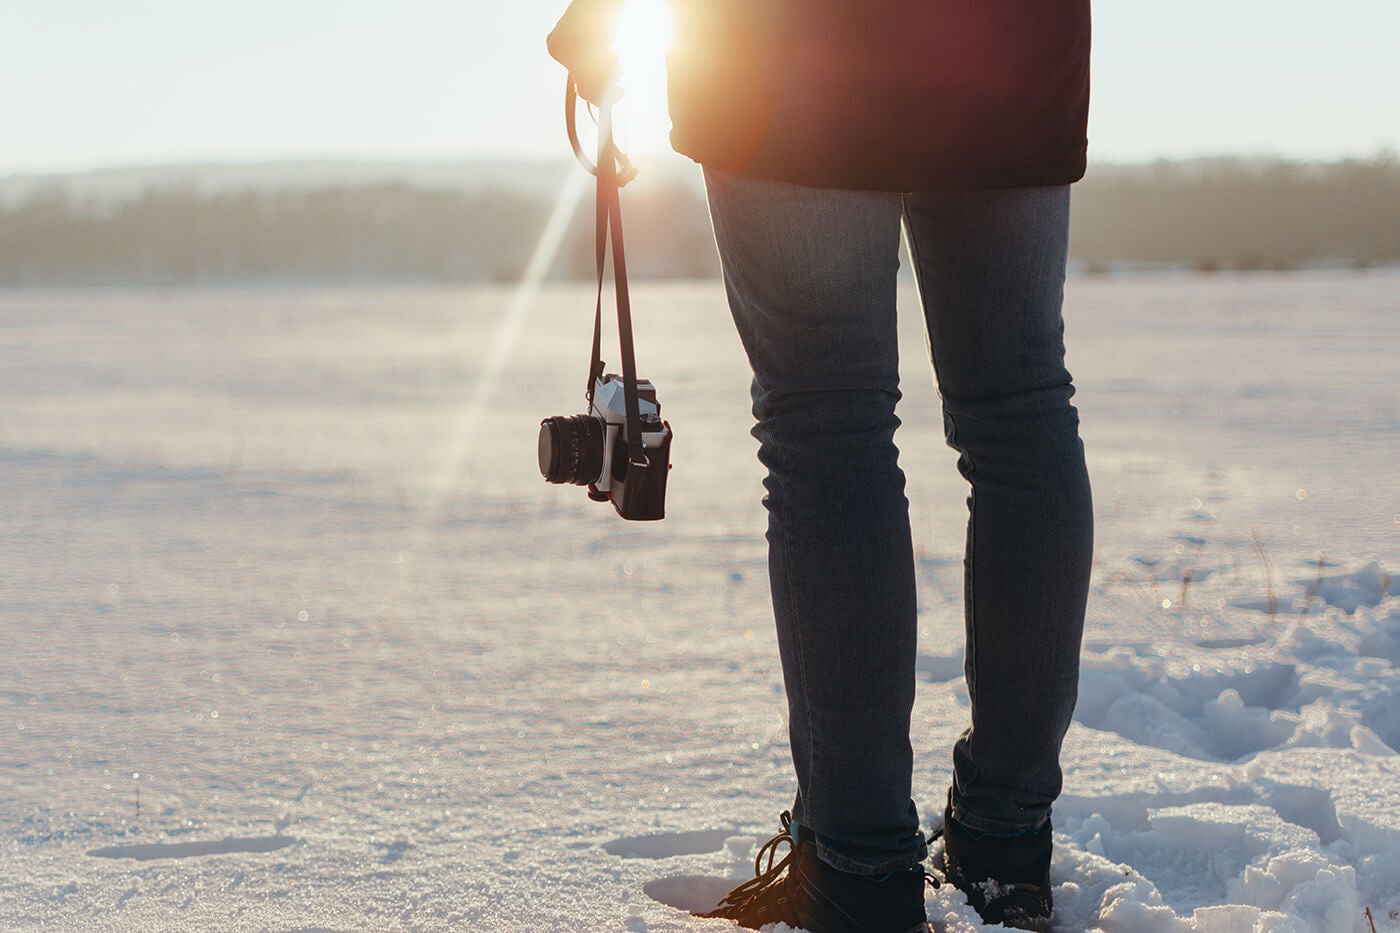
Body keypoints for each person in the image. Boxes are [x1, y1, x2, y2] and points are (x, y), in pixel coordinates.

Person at [549, 3, 1094, 930]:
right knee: (1019, 416)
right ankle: (1005, 840)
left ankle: (860, 864)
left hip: (791, 54)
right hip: (1008, 43)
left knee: (828, 428)